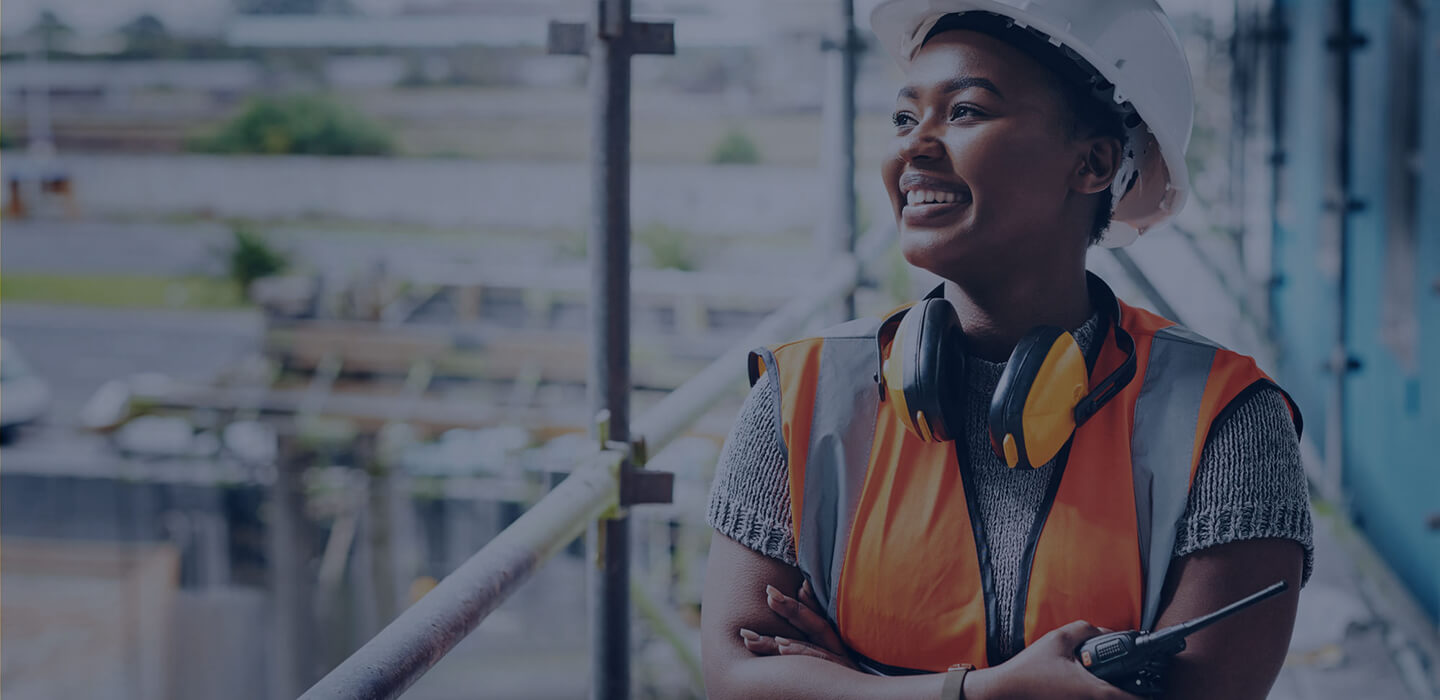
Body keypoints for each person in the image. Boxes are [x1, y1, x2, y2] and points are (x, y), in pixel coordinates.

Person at [700, 2, 1313, 699]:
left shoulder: (1228, 420)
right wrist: (984, 692)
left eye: (963, 112)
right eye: (905, 118)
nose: (914, 147)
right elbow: (735, 679)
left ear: (1092, 162)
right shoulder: (799, 395)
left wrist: (853, 682)